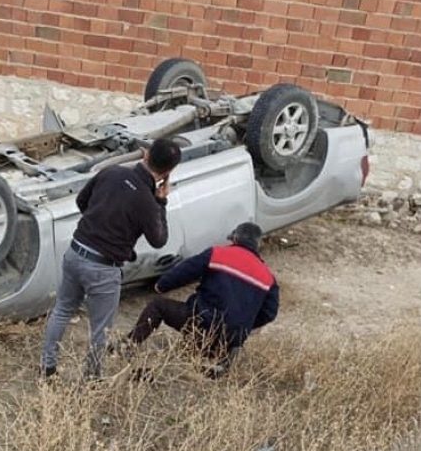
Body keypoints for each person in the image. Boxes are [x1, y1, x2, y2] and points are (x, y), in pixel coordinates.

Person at [40, 137, 182, 379]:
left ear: (145, 155)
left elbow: (81, 201)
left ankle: (47, 368)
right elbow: (159, 240)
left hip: (76, 252)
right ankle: (92, 379)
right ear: (167, 172)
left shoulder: (110, 172)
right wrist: (162, 201)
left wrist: (99, 223)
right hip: (103, 268)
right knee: (100, 329)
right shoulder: (148, 202)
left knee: (62, 310)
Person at [127, 222, 279, 375]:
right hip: (231, 337)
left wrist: (161, 285)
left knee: (157, 306)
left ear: (235, 238)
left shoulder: (217, 254)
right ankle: (221, 357)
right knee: (227, 334)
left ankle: (128, 345)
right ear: (257, 245)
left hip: (201, 322)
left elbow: (186, 270)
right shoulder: (268, 278)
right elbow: (270, 313)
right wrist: (245, 324)